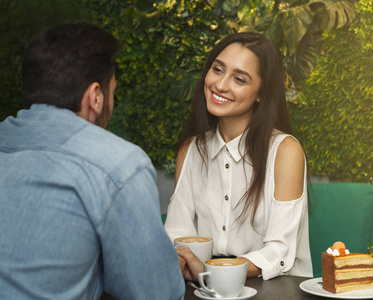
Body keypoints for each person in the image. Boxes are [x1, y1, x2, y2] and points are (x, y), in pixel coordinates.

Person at [0, 23, 184, 300]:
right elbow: (157, 293)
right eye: (113, 91)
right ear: (95, 96)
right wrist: (168, 265)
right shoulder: (118, 165)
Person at [164, 32, 313, 281]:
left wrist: (215, 271)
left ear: (261, 94)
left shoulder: (285, 151)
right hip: (202, 286)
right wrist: (187, 263)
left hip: (273, 289)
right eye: (218, 69)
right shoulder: (191, 149)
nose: (221, 85)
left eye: (239, 79)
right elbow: (177, 233)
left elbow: (279, 251)